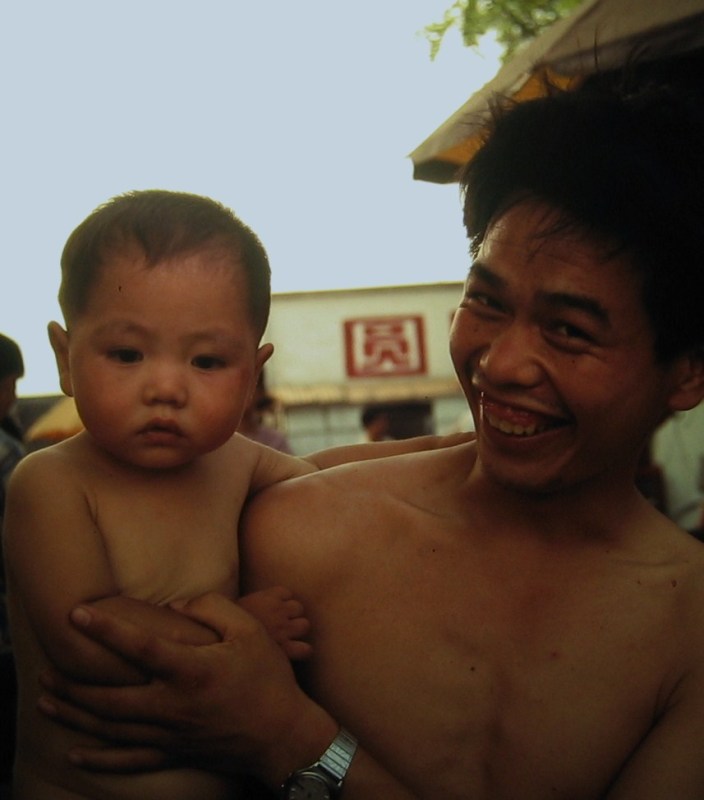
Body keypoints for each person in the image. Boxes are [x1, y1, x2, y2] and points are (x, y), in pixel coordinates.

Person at [36, 79, 704, 799]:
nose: (501, 364)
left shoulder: (689, 634)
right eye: (485, 301)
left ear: (688, 372)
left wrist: (287, 739)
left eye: (569, 330)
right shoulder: (297, 531)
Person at [2, 190, 467, 800]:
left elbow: (324, 477)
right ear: (66, 359)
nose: (166, 387)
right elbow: (85, 636)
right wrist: (242, 638)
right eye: (127, 354)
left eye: (206, 362)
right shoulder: (52, 481)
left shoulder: (231, 463)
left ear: (252, 374)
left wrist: (455, 450)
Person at [239, 371, 293, 453]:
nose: (243, 394)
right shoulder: (220, 441)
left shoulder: (274, 441)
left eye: (250, 387)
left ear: (261, 391)